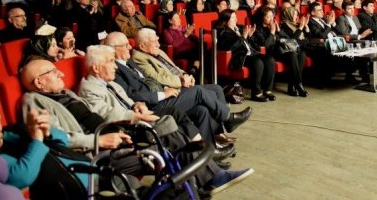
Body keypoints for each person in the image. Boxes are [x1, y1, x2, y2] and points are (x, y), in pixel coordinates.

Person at [19, 58, 254, 195]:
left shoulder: (65, 94)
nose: (60, 73)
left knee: (169, 132)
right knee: (166, 136)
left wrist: (127, 118)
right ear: (39, 81)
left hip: (114, 135)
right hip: (96, 154)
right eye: (53, 71)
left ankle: (206, 178)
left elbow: (96, 116)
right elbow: (54, 138)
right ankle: (209, 177)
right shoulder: (34, 101)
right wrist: (99, 140)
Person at [105, 32, 252, 150]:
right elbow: (133, 95)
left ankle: (209, 152)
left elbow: (150, 80)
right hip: (153, 105)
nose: (130, 47)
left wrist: (168, 86)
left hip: (165, 93)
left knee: (202, 110)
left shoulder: (128, 62)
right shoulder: (116, 70)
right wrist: (164, 93)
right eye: (125, 45)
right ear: (113, 49)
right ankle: (228, 118)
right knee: (199, 92)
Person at [216, 10, 276, 102]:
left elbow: (251, 44)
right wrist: (243, 37)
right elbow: (231, 47)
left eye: (235, 17)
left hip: (250, 53)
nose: (236, 19)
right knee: (258, 62)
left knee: (270, 59)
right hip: (238, 56)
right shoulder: (223, 32)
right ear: (226, 19)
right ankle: (256, 92)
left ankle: (268, 90)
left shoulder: (240, 28)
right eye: (233, 17)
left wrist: (250, 36)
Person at [254, 7, 308, 97]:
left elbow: (288, 39)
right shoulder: (258, 29)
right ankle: (297, 84)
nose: (271, 19)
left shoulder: (275, 25)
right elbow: (265, 46)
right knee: (292, 54)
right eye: (268, 17)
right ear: (262, 18)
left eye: (272, 16)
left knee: (302, 54)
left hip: (282, 50)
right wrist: (272, 32)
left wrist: (278, 31)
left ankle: (293, 86)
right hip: (271, 53)